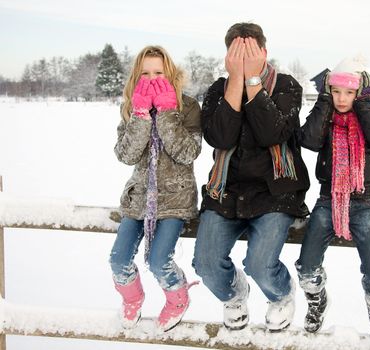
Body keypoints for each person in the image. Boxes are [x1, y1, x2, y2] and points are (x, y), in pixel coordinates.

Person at [192, 22, 310, 332]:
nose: (244, 60)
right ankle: (234, 294)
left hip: (275, 192)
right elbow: (220, 137)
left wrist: (253, 80)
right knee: (205, 263)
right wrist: (235, 81)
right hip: (226, 191)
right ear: (227, 56)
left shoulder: (286, 86)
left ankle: (281, 294)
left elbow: (273, 133)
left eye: (251, 54)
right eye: (237, 54)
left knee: (259, 264)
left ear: (264, 53)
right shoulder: (218, 90)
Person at [295, 58, 370, 347]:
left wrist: (365, 103)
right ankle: (316, 300)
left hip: (365, 202)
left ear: (360, 92)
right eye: (335, 91)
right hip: (329, 199)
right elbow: (309, 140)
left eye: (349, 92)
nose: (342, 99)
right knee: (307, 264)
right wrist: (324, 102)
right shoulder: (325, 116)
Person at [110, 45, 201, 331]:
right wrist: (140, 116)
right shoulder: (130, 106)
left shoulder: (188, 107)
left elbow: (187, 152)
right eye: (146, 73)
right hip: (138, 199)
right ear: (137, 76)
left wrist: (166, 112)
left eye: (158, 72)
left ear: (170, 73)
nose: (152, 78)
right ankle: (132, 299)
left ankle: (177, 298)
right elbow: (126, 155)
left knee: (160, 259)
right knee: (119, 258)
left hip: (175, 198)